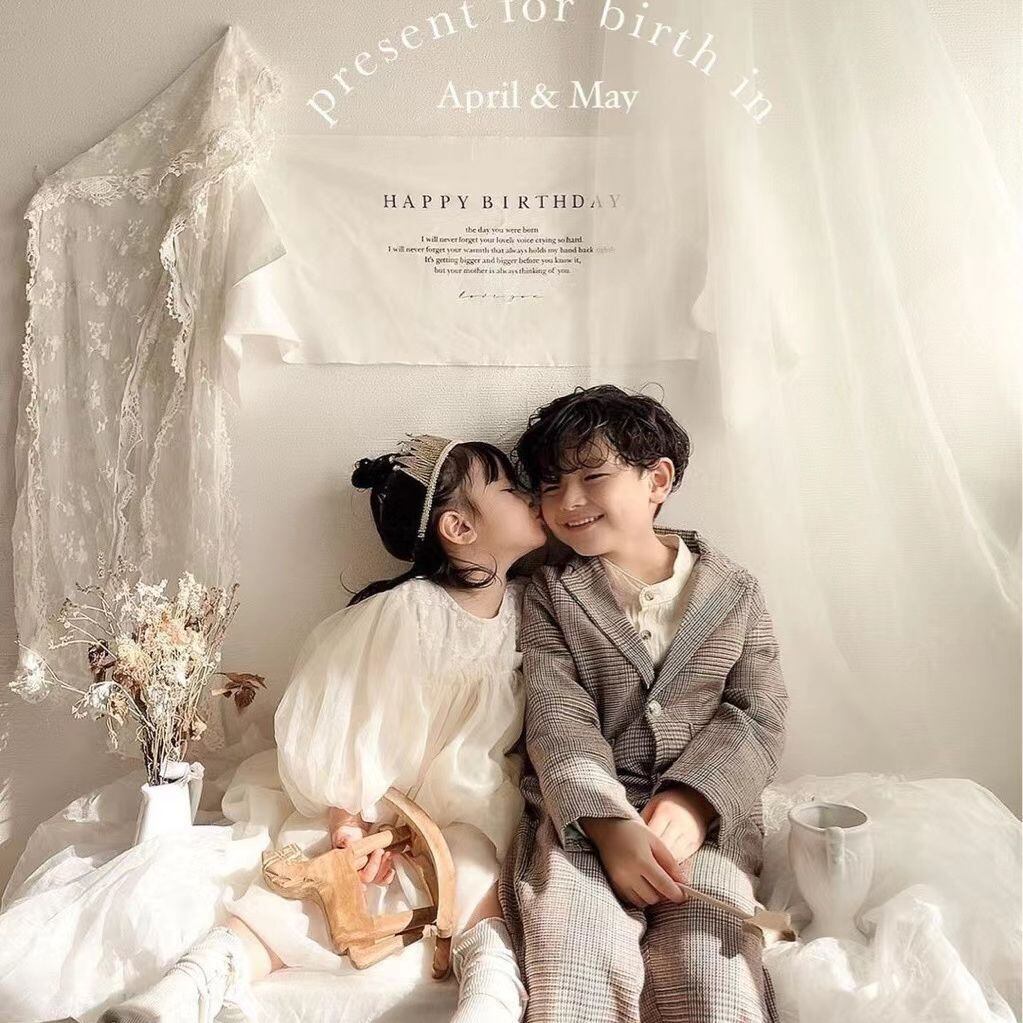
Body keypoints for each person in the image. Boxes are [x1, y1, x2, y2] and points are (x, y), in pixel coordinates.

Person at [0, 436, 544, 1023]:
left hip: (469, 809)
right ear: (459, 527)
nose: (530, 495)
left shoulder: (527, 610)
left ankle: (489, 993)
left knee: (476, 867)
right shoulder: (410, 612)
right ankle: (197, 979)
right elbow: (345, 715)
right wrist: (347, 819)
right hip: (376, 803)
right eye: (510, 488)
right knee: (303, 881)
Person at [498, 385, 790, 1023]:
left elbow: (758, 713)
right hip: (582, 822)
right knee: (573, 953)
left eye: (592, 477)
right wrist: (607, 824)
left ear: (657, 479)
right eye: (550, 486)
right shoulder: (550, 593)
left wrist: (692, 800)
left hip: (704, 827)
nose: (568, 501)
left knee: (714, 965)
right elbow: (556, 717)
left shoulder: (735, 590)